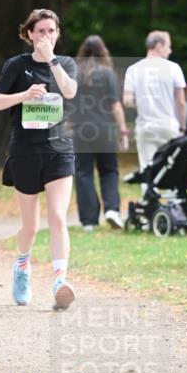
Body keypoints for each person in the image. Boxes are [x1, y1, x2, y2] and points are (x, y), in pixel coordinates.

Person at [0, 8, 78, 310]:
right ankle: (22, 266)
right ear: (29, 35)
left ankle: (59, 280)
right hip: (25, 150)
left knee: (57, 215)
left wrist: (52, 61)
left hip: (58, 150)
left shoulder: (64, 64)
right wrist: (23, 95)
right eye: (40, 31)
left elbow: (70, 91)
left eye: (51, 31)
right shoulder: (17, 65)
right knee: (30, 225)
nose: (45, 36)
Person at [71, 35, 129, 230]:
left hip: (80, 131)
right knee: (109, 171)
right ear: (103, 51)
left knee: (83, 173)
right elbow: (115, 105)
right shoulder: (108, 73)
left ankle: (89, 221)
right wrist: (123, 131)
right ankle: (112, 209)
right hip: (104, 129)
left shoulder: (74, 73)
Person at [123, 30, 186, 176]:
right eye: (168, 46)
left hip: (146, 127)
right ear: (158, 46)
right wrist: (183, 127)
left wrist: (142, 101)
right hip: (168, 126)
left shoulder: (133, 69)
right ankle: (170, 197)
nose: (170, 50)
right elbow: (181, 102)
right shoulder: (173, 68)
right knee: (171, 169)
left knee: (147, 169)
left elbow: (127, 101)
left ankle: (148, 197)